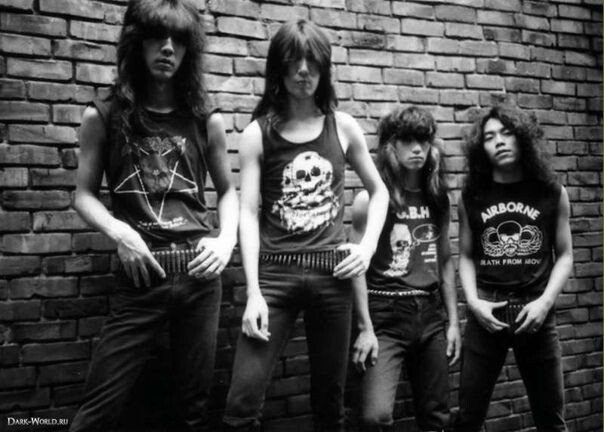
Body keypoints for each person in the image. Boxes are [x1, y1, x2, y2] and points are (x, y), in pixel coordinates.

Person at [70, 0, 238, 430]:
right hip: (140, 276)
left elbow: (228, 192)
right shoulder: (103, 115)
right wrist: (118, 232)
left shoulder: (205, 119)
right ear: (135, 43)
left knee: (192, 410)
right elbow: (84, 195)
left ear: (189, 51)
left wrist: (225, 240)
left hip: (200, 277)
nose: (167, 48)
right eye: (156, 38)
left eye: (178, 40)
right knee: (98, 412)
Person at [222, 19, 389, 432]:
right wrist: (254, 292)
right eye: (293, 61)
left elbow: (380, 192)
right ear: (278, 68)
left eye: (312, 62)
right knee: (241, 405)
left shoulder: (342, 126)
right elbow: (247, 214)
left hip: (333, 277)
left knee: (330, 404)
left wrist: (366, 248)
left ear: (324, 68)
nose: (302, 70)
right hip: (274, 276)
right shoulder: (257, 133)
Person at [455, 105, 573, 431]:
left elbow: (565, 255)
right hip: (486, 313)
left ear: (523, 138)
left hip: (536, 313)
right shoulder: (471, 196)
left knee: (552, 421)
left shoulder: (552, 193)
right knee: (467, 419)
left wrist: (545, 303)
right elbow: (465, 255)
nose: (499, 141)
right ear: (481, 147)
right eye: (490, 136)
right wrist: (473, 302)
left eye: (507, 133)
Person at [351, 106, 460, 432]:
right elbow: (356, 266)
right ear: (390, 146)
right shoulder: (369, 201)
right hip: (384, 314)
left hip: (430, 314)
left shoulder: (438, 198)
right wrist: (365, 327)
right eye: (408, 141)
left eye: (423, 141)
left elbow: (445, 260)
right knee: (375, 417)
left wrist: (453, 323)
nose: (417, 149)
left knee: (437, 416)